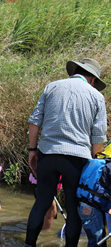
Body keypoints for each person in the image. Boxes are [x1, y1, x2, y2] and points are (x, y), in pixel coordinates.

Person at [25, 58, 107, 246]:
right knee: (73, 208)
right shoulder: (96, 97)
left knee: (41, 203)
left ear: (74, 72)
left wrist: (32, 151)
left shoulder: (52, 87)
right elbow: (97, 138)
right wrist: (94, 165)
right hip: (76, 160)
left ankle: (28, 244)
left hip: (47, 153)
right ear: (93, 79)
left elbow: (34, 122)